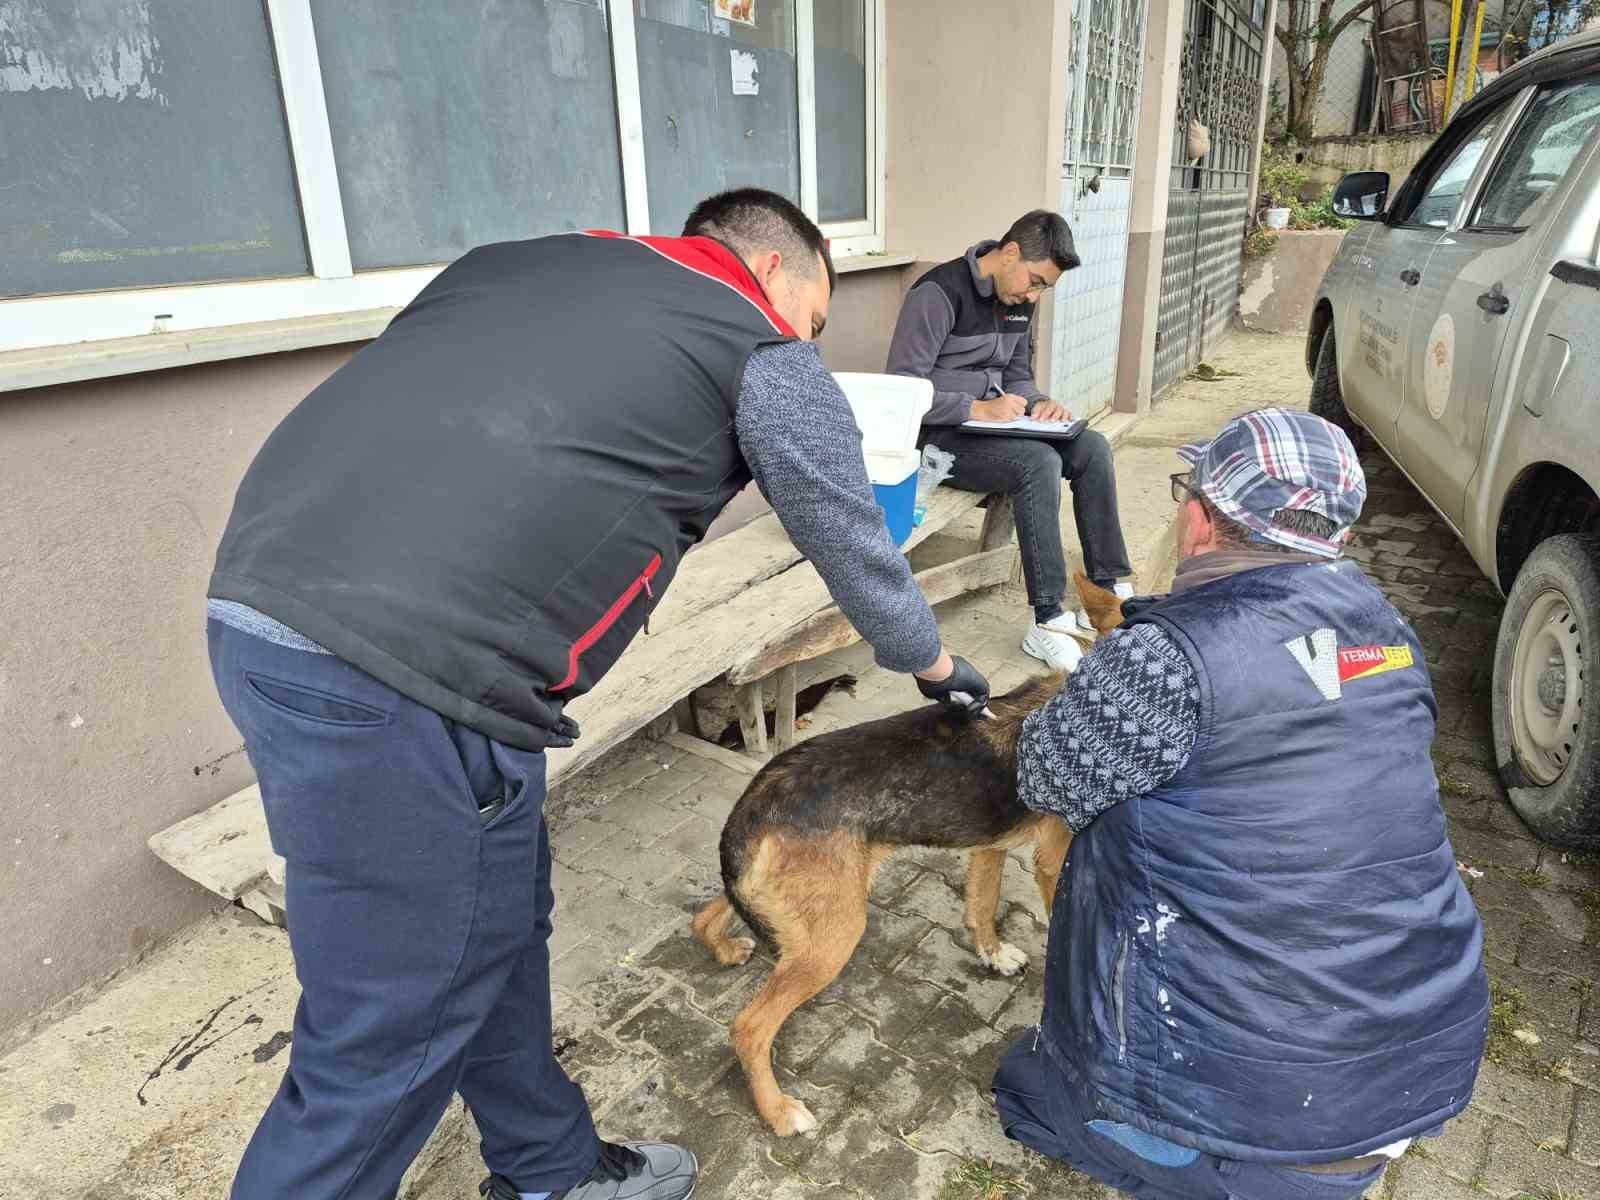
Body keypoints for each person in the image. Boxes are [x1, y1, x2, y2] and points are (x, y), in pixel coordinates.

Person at [204, 188, 990, 1200]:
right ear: (782, 273)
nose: (810, 339)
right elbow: (847, 536)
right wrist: (933, 665)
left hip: (260, 609)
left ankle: (553, 1169)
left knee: (490, 933)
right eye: (817, 317)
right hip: (408, 683)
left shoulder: (511, 261)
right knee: (382, 1044)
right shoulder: (760, 345)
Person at [992, 408, 1489, 1200]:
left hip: (1261, 1120)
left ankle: (1207, 1166)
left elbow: (1046, 781)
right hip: (1415, 1067)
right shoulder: (1388, 630)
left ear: (1197, 521)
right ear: (1340, 538)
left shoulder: (1163, 657)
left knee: (1026, 1086)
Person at [885, 210, 1134, 673]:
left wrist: (1040, 404)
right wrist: (972, 408)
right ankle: (1048, 621)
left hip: (995, 428)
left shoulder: (1020, 298)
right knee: (1036, 464)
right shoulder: (937, 294)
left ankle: (1107, 593)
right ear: (1011, 253)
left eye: (1044, 288)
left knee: (1092, 447)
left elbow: (1018, 375)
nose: (1033, 295)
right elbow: (901, 390)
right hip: (935, 438)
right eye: (1035, 282)